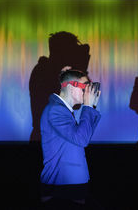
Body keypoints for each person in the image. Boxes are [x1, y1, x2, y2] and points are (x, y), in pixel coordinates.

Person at [40, 69, 101, 209]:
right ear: (71, 87)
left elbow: (84, 136)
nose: (88, 91)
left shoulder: (63, 110)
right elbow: (82, 139)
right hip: (62, 186)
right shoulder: (56, 109)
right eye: (85, 86)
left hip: (69, 185)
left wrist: (92, 106)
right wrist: (87, 106)